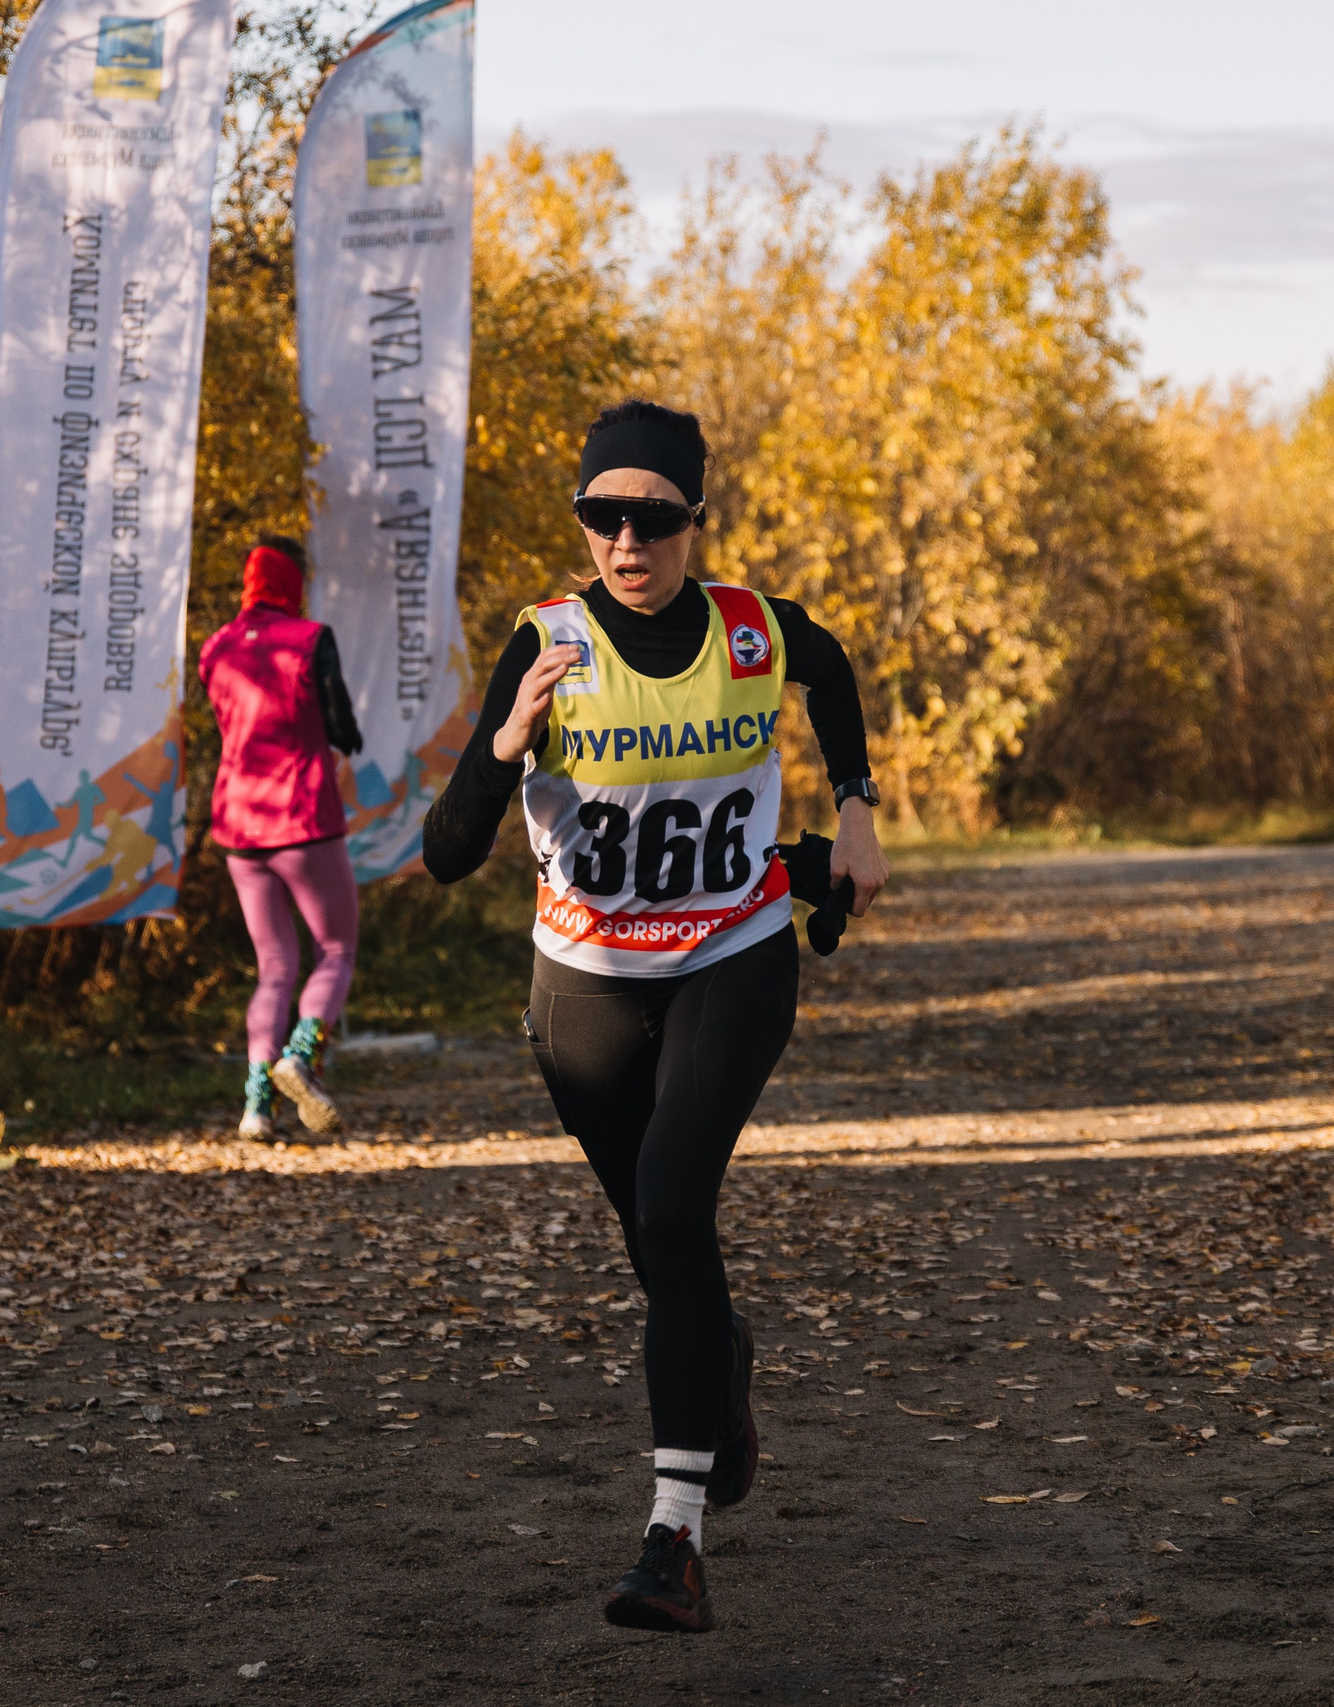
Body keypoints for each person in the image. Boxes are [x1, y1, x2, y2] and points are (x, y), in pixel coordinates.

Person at [423, 401, 885, 1634]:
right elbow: (446, 854)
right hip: (581, 989)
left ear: (693, 521)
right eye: (601, 518)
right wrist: (508, 741)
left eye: (653, 518)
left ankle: (671, 1540)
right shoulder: (545, 641)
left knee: (677, 1202)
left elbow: (830, 672)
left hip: (732, 958)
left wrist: (854, 805)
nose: (627, 543)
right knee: (658, 1242)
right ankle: (720, 1355)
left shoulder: (750, 629)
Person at [199, 536, 366, 1139]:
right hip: (303, 817)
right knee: (336, 951)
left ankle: (256, 1107)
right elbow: (343, 725)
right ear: (293, 583)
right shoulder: (310, 639)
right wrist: (344, 742)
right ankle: (301, 1054)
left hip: (238, 825)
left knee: (273, 966)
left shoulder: (214, 647)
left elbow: (225, 719)